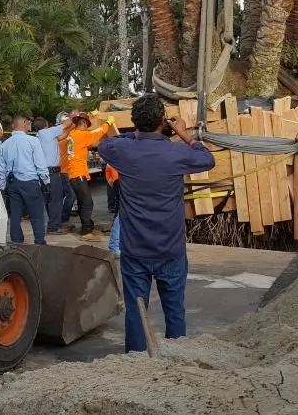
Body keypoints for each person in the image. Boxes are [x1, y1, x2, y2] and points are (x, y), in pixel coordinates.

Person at [97, 94, 215, 353]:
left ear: (135, 122)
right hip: (170, 250)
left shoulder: (123, 150)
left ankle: (136, 363)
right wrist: (183, 133)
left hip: (135, 250)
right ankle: (177, 361)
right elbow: (207, 159)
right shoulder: (176, 152)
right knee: (175, 311)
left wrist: (137, 134)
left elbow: (104, 145)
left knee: (136, 313)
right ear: (164, 122)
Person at [61, 111, 117, 240]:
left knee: (82, 202)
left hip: (73, 173)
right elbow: (96, 133)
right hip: (78, 173)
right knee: (87, 203)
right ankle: (86, 232)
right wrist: (108, 122)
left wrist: (92, 117)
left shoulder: (73, 134)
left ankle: (87, 227)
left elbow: (89, 132)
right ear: (84, 124)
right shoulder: (81, 135)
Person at [0, 115, 50, 245]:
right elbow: (40, 164)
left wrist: (2, 186)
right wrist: (46, 181)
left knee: (15, 214)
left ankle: (17, 241)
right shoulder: (32, 141)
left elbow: (1, 168)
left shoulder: (5, 144)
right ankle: (39, 241)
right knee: (36, 215)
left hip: (12, 183)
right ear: (25, 124)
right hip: (30, 182)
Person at [34, 114, 73, 234]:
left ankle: (54, 223)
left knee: (48, 200)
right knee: (55, 200)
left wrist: (71, 129)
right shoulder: (48, 132)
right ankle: (54, 227)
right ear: (46, 125)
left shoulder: (39, 136)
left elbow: (62, 136)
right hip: (52, 173)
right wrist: (76, 116)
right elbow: (65, 124)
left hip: (43, 173)